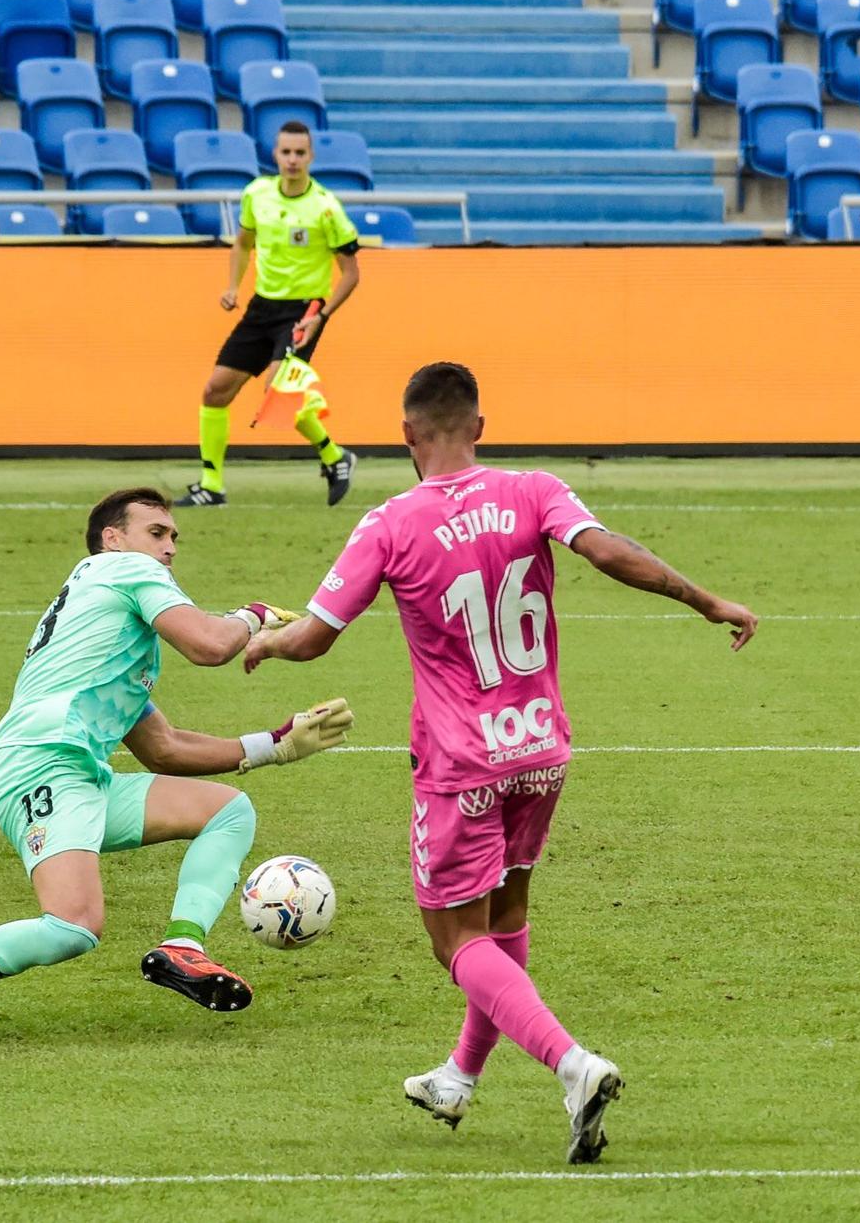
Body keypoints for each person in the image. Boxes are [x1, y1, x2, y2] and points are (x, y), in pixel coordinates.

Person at [243, 363, 758, 1164]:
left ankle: (572, 1063)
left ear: (406, 435)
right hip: (541, 748)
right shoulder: (534, 489)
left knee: (455, 941)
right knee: (505, 918)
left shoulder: (388, 522)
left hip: (460, 762)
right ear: (479, 425)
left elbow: (314, 636)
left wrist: (269, 639)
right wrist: (706, 599)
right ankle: (458, 1075)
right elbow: (610, 552)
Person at [0, 487, 356, 1044]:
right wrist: (250, 617)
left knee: (229, 812)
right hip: (39, 767)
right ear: (114, 540)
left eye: (174, 537)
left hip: (78, 776)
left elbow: (164, 748)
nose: (170, 548)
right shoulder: (124, 571)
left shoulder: (109, 627)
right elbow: (209, 645)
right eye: (156, 533)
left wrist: (273, 745)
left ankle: (184, 947)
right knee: (73, 927)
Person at [177, 121, 361, 510]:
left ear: (310, 156)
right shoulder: (256, 194)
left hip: (302, 312)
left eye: (300, 153)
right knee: (215, 390)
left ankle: (334, 455)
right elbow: (243, 244)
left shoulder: (326, 207)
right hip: (262, 307)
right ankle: (212, 484)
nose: (292, 159)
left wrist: (321, 316)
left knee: (279, 393)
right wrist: (232, 287)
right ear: (275, 154)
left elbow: (351, 274)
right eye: (285, 152)